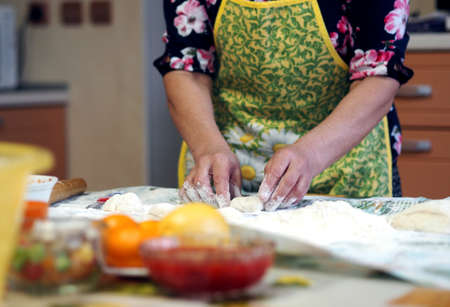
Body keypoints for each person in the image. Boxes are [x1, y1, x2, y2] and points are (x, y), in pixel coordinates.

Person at [154, 0, 413, 210]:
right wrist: (208, 146)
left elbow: (378, 75)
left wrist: (310, 155)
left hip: (344, 167)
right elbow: (186, 67)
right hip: (225, 166)